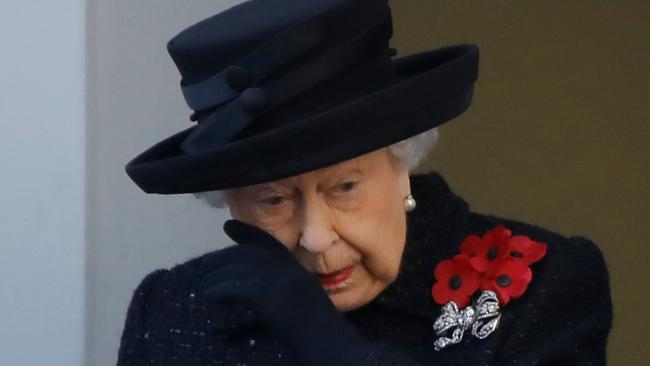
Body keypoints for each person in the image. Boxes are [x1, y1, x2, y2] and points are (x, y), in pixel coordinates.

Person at [118, 0, 612, 365]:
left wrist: (331, 346)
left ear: (402, 163)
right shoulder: (174, 306)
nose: (315, 236)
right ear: (229, 203)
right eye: (272, 199)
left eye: (345, 187)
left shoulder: (543, 284)